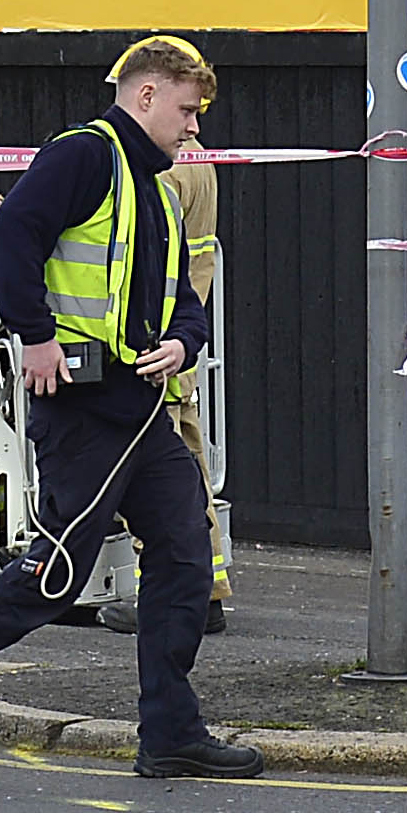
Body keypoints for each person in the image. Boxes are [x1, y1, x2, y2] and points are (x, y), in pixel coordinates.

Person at [0, 38, 262, 782]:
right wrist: (35, 337)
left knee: (184, 555)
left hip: (141, 408)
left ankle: (171, 731)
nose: (194, 127)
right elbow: (13, 231)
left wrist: (182, 339)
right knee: (54, 575)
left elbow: (179, 297)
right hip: (82, 405)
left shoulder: (158, 188)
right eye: (186, 110)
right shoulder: (84, 154)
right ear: (144, 96)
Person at [152, 36, 236, 633]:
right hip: (181, 333)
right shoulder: (198, 163)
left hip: (157, 340)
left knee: (166, 469)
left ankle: (183, 594)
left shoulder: (167, 172)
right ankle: (204, 585)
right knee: (187, 461)